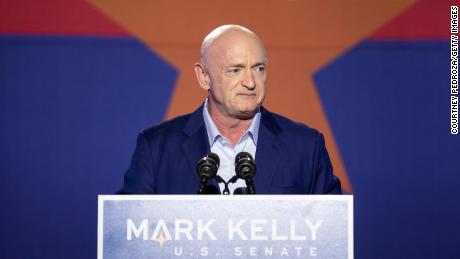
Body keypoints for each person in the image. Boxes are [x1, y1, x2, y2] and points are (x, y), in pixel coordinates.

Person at [118, 25, 341, 194]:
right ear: (204, 77)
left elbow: (332, 236)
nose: (251, 82)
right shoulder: (157, 148)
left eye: (258, 68)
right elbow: (127, 235)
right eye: (235, 70)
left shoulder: (305, 147)